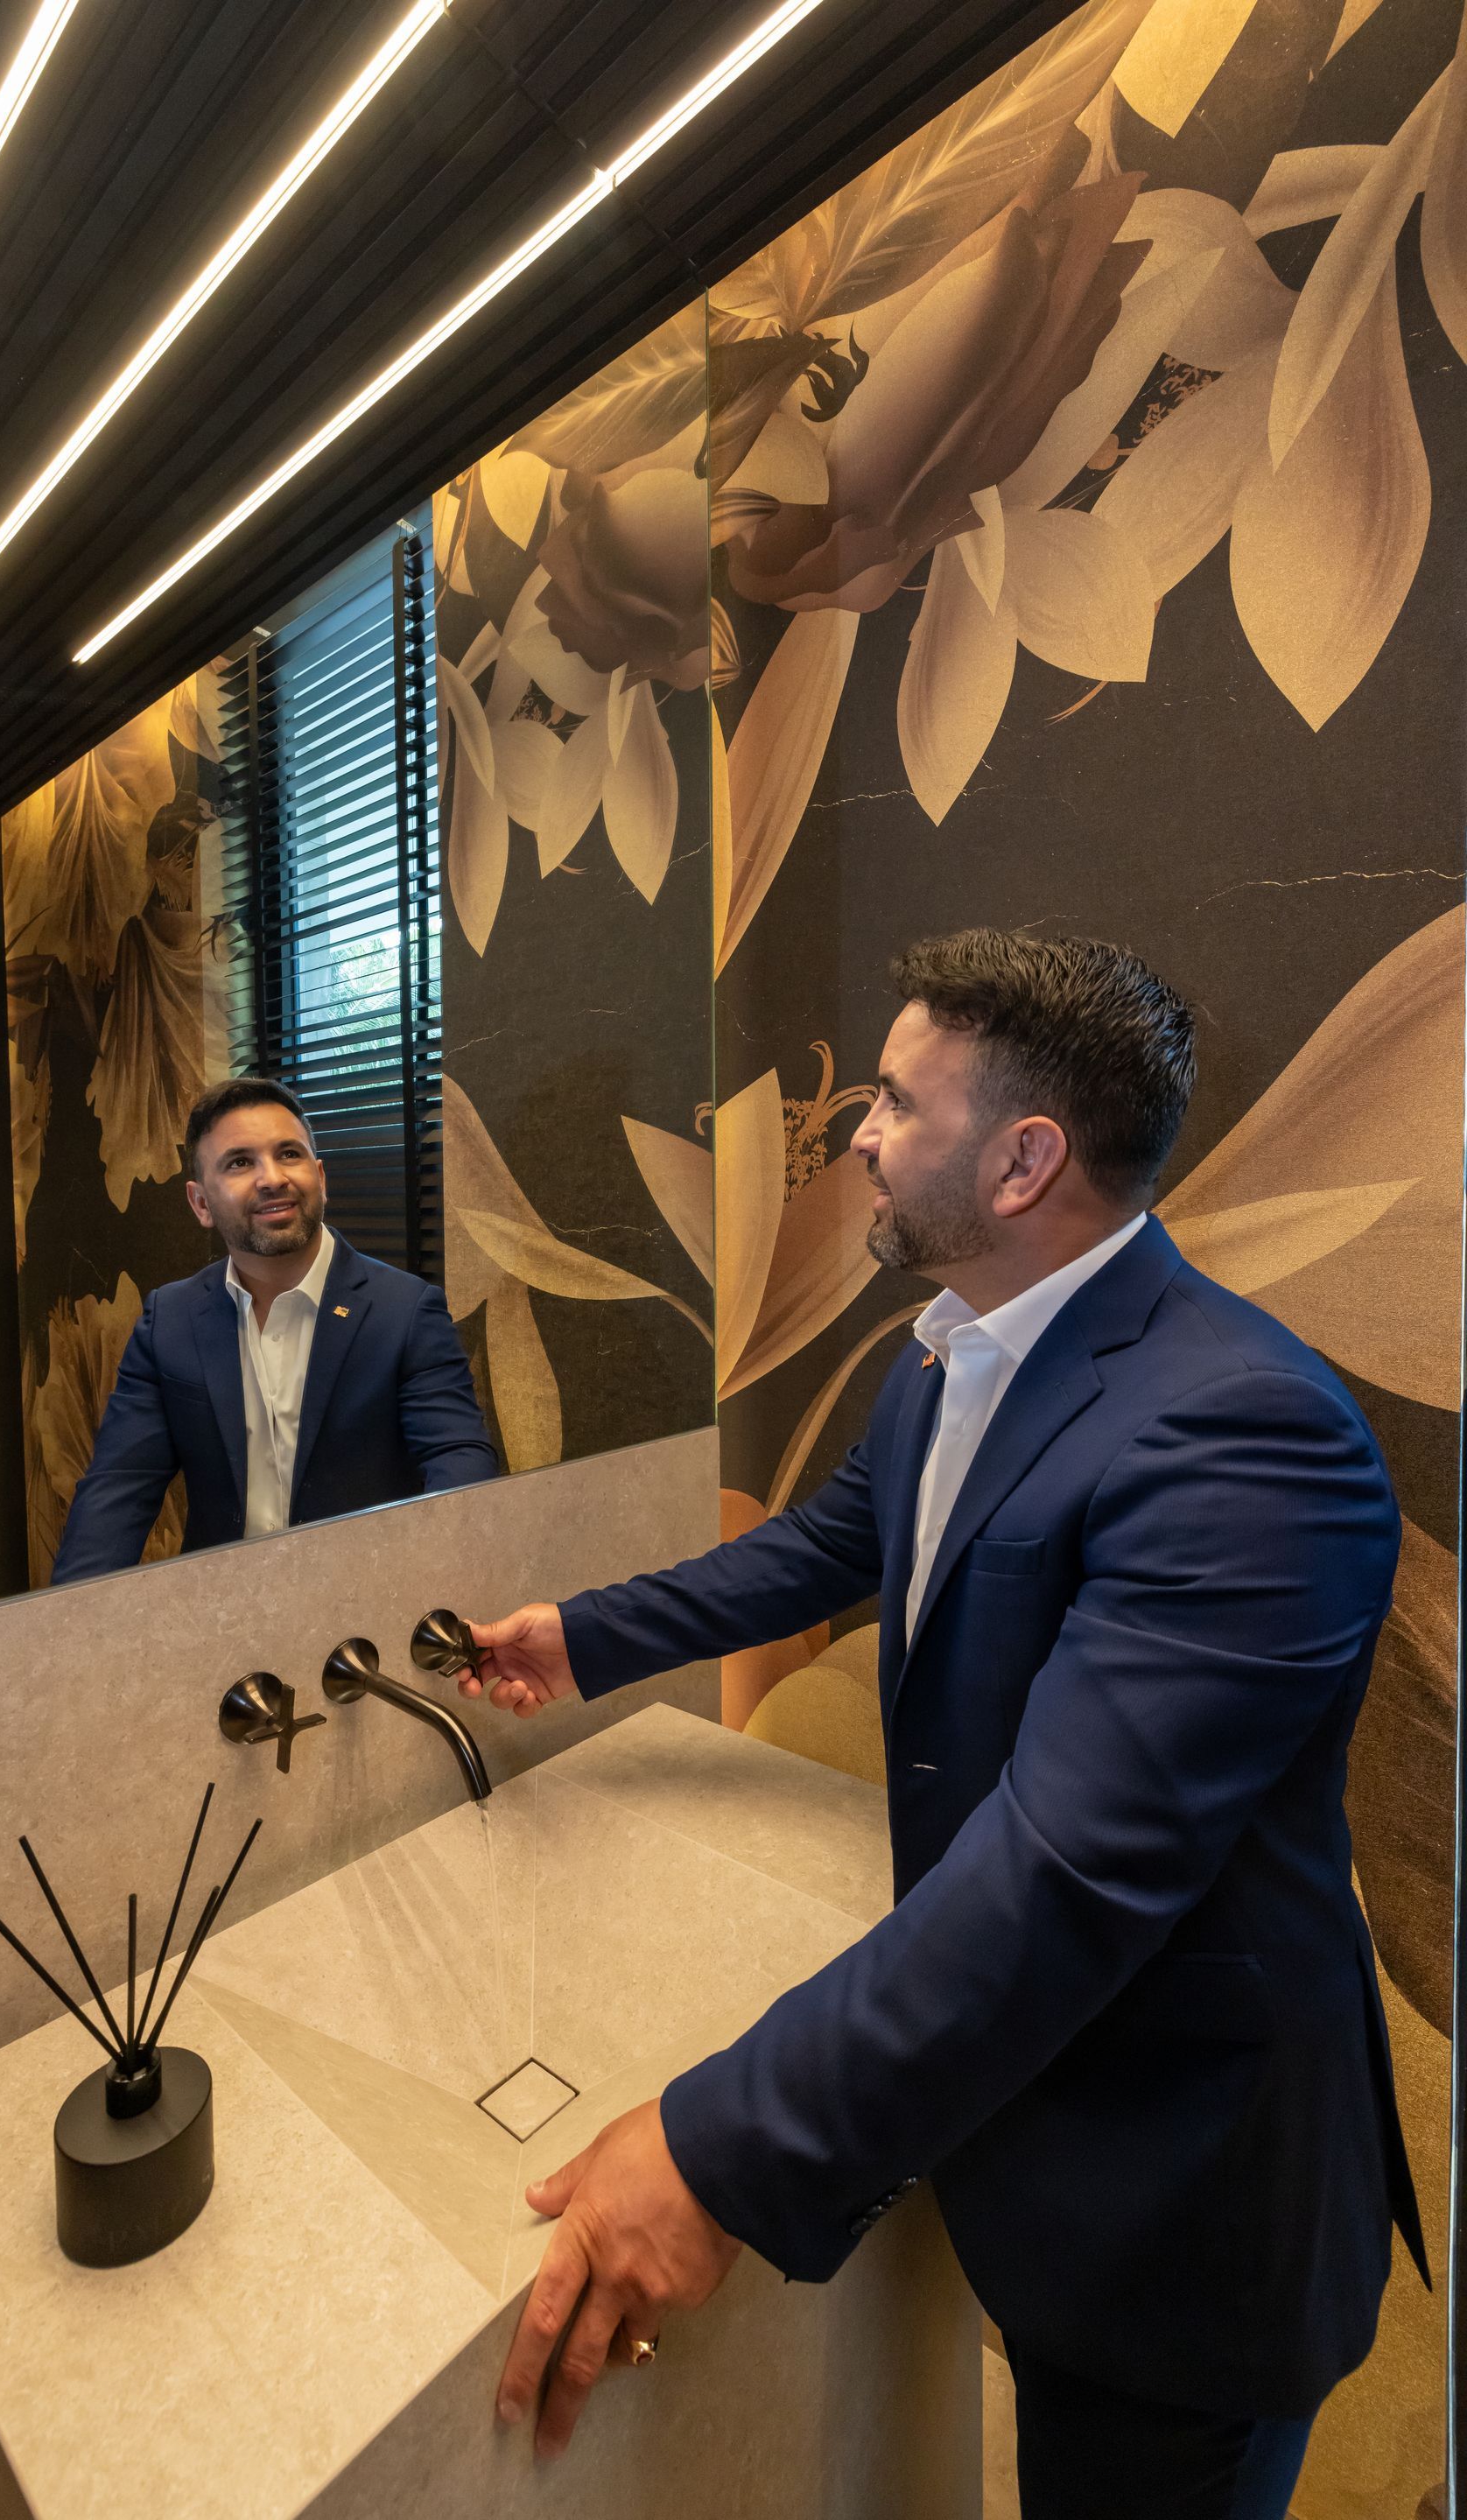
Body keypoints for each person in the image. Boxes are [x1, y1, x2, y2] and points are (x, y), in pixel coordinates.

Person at [452, 930, 1423, 2518]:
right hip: (1038, 2133)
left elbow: (1062, 1873)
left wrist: (710, 2145)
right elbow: (824, 1548)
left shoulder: (1244, 1431)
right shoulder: (953, 1353)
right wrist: (584, 1638)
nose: (860, 1131)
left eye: (898, 1100)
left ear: (1026, 1156)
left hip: (1184, 2196)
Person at [51, 1077, 496, 1581]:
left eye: (289, 1154)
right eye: (240, 1163)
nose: (271, 1178)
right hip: (223, 1617)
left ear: (320, 1178)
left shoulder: (405, 1311)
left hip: (370, 1605)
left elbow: (457, 1459)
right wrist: (67, 1632)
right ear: (200, 1203)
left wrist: (452, 1585)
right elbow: (117, 1489)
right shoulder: (169, 1321)